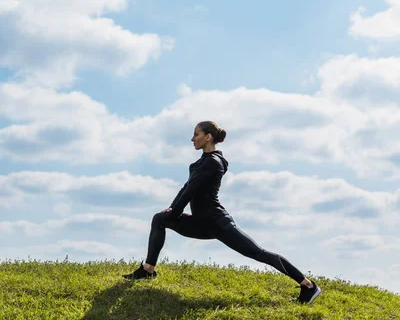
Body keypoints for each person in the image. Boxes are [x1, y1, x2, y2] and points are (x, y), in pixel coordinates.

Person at [123, 121, 321, 304]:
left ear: (208, 137)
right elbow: (186, 187)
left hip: (218, 223)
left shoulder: (213, 162)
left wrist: (176, 211)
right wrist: (172, 208)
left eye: (196, 134)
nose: (192, 139)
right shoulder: (202, 162)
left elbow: (193, 190)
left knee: (257, 253)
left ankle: (308, 286)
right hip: (201, 223)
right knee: (159, 219)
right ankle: (148, 270)